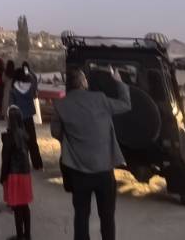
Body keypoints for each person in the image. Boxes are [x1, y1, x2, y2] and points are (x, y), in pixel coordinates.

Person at [51, 67, 131, 240]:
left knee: (81, 215)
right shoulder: (99, 99)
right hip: (104, 171)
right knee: (107, 216)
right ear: (82, 82)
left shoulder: (60, 105)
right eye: (85, 78)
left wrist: (73, 140)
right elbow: (125, 104)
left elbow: (55, 132)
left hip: (78, 172)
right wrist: (118, 82)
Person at [1, 105, 33, 239]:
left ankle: (20, 236)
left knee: (17, 207)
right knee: (24, 205)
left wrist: (2, 176)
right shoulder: (25, 135)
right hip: (25, 174)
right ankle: (27, 235)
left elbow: (6, 159)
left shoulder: (9, 137)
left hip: (13, 174)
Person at [10, 66, 43, 170]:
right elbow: (34, 80)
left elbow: (11, 105)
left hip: (18, 118)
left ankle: (23, 164)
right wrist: (29, 73)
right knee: (32, 141)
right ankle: (37, 164)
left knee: (20, 141)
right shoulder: (30, 87)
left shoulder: (13, 89)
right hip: (29, 117)